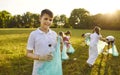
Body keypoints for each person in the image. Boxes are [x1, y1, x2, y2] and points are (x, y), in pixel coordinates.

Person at [26, 9, 62, 75]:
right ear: (40, 19)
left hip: (52, 68)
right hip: (39, 69)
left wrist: (62, 43)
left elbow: (56, 50)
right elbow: (28, 53)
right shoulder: (34, 34)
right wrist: (41, 57)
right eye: (45, 19)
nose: (48, 21)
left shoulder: (54, 34)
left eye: (50, 20)